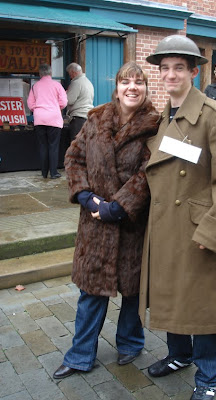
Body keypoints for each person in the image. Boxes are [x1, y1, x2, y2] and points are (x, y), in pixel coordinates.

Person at [139, 35, 216, 400]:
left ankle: (208, 379)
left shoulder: (214, 117)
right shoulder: (160, 118)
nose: (171, 75)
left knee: (201, 307)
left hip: (197, 230)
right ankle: (179, 355)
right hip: (166, 227)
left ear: (192, 72)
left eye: (179, 68)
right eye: (165, 69)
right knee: (173, 296)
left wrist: (214, 230)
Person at [53, 62, 159, 380]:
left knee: (131, 291)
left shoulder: (155, 124)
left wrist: (119, 207)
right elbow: (74, 157)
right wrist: (85, 196)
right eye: (126, 81)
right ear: (116, 86)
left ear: (145, 88)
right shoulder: (96, 118)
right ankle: (80, 354)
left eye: (138, 82)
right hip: (94, 223)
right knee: (90, 292)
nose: (132, 87)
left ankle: (130, 342)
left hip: (131, 223)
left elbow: (151, 171)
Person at [27, 64, 67, 179]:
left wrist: (38, 109)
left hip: (39, 118)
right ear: (50, 73)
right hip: (54, 118)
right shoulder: (57, 85)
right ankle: (54, 172)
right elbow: (64, 102)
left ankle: (44, 172)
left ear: (40, 74)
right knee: (53, 146)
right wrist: (55, 107)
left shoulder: (35, 86)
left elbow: (30, 104)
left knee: (43, 146)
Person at [66, 63, 94, 141]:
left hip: (78, 118)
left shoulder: (76, 83)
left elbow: (69, 100)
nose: (70, 77)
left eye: (70, 74)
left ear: (73, 72)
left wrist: (65, 94)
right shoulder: (88, 82)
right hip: (87, 117)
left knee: (76, 145)